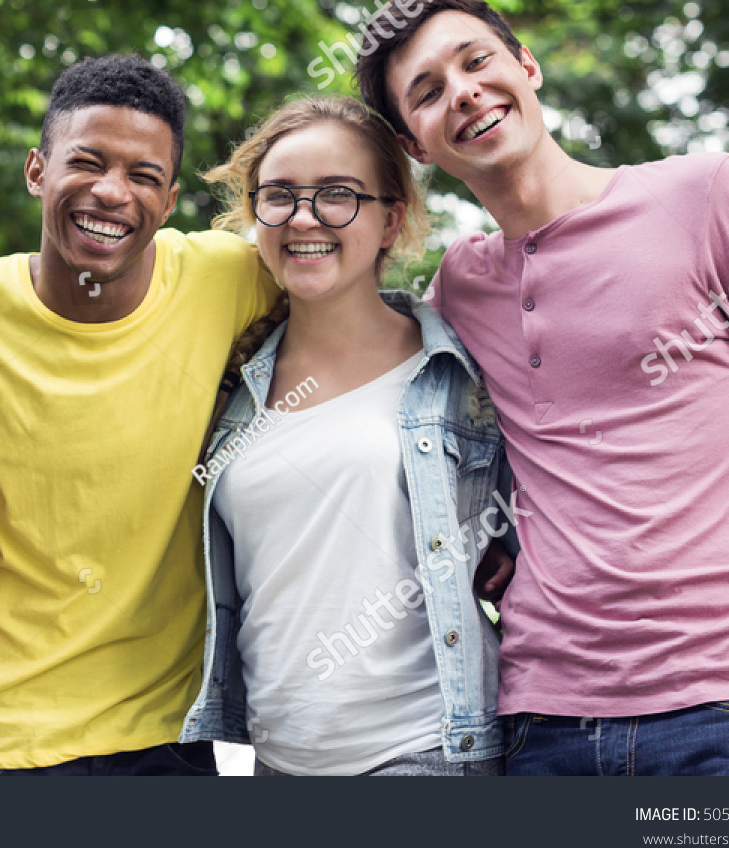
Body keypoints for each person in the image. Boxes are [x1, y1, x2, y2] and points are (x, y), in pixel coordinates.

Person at [355, 0, 729, 776]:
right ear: (417, 144)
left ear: (527, 66)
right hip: (543, 725)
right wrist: (488, 539)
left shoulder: (701, 195)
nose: (464, 91)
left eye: (477, 62)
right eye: (430, 92)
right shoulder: (458, 290)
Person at [0, 54, 279, 774]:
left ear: (171, 197)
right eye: (87, 163)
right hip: (2, 733)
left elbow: (356, 311)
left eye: (143, 176)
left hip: (168, 734)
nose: (112, 193)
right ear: (37, 171)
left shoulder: (230, 277)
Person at [183, 95, 514, 775]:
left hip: (424, 754)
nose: (304, 217)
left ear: (391, 219)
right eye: (279, 195)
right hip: (275, 764)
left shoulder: (454, 371)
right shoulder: (231, 385)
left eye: (337, 194)